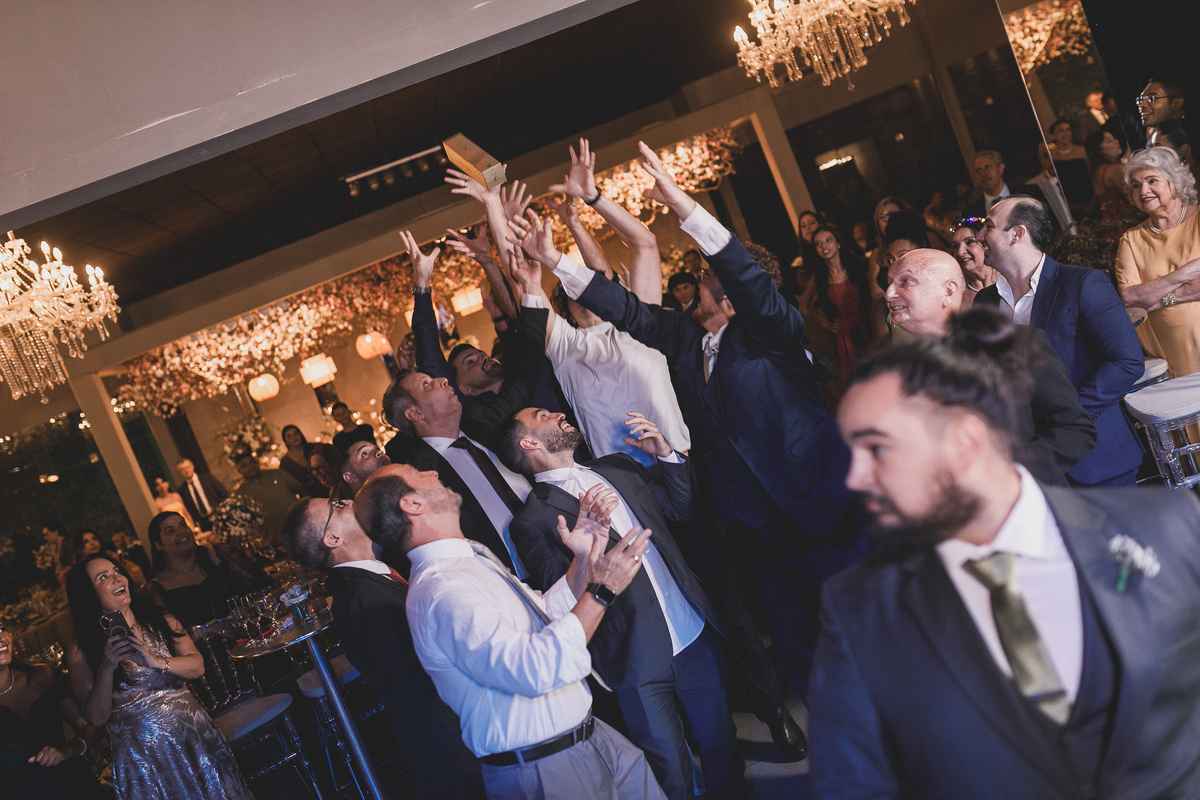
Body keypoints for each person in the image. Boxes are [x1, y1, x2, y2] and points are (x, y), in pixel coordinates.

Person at [512, 140, 867, 702]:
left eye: (704, 280)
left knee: (865, 633)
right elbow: (626, 308)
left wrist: (681, 203)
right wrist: (555, 260)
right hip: (754, 530)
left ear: (731, 298)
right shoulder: (687, 338)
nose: (694, 283)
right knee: (797, 649)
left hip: (818, 511)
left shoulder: (771, 334)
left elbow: (744, 277)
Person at [809, 309, 1200, 799]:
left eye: (877, 449)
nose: (855, 477)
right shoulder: (859, 610)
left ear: (965, 441)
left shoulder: (1168, 526)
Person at [356, 464, 665, 800]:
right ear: (412, 504)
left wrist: (583, 558)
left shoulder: (465, 562)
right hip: (547, 768)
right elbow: (533, 669)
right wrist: (602, 590)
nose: (431, 471)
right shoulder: (442, 590)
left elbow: (544, 613)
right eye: (416, 472)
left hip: (591, 736)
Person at [499, 408, 742, 800]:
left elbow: (683, 509)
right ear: (529, 443)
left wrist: (666, 454)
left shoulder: (618, 467)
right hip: (632, 658)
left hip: (692, 631)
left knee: (723, 747)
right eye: (543, 415)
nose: (557, 413)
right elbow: (561, 601)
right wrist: (587, 552)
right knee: (670, 774)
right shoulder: (531, 520)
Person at [279, 497, 486, 799]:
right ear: (333, 538)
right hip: (454, 748)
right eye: (337, 505)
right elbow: (423, 676)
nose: (350, 500)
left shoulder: (369, 579)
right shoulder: (365, 599)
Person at [883, 249, 1095, 484]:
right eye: (889, 283)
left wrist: (1004, 473)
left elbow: (1074, 429)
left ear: (948, 291)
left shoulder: (1013, 346)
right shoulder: (897, 374)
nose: (889, 293)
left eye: (905, 281)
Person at [976, 197, 1144, 486]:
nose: (980, 236)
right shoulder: (985, 302)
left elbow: (1126, 361)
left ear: (1017, 234)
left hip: (1096, 459)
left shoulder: (1082, 283)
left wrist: (1069, 416)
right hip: (1032, 468)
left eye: (988, 227)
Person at [65, 555, 253, 799]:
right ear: (88, 594)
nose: (117, 578)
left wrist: (156, 662)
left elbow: (197, 666)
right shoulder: (81, 652)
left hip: (194, 739)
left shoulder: (161, 619)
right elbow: (96, 718)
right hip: (144, 761)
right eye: (103, 577)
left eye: (116, 571)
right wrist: (106, 668)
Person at [382, 367, 533, 575]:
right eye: (426, 384)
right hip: (515, 574)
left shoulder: (483, 423)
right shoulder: (421, 477)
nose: (443, 380)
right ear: (415, 413)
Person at [1114, 146, 1200, 380]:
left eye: (1152, 181)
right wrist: (1185, 273)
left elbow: (1142, 299)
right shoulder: (1131, 239)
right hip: (1169, 357)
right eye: (1136, 185)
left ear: (1174, 182)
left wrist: (1161, 300)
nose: (1144, 191)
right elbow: (1130, 299)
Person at [0, 624, 103, 799]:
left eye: (1, 629)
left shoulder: (42, 675)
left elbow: (89, 729)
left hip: (77, 788)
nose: (1, 638)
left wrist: (66, 751)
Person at [143, 512, 270, 627]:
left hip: (254, 632)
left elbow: (264, 587)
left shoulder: (219, 554)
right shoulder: (156, 589)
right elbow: (173, 635)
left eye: (183, 525)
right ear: (158, 545)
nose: (181, 532)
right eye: (170, 531)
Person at [807, 224, 873, 388]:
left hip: (867, 324)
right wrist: (827, 325)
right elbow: (804, 308)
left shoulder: (855, 264)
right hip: (845, 335)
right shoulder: (819, 276)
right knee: (860, 381)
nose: (824, 246)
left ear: (838, 243)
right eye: (818, 244)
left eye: (828, 240)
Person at [230, 451, 307, 546]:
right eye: (244, 466)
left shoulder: (278, 474)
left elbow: (301, 490)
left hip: (302, 529)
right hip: (276, 542)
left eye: (251, 462)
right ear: (239, 471)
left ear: (256, 462)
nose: (250, 466)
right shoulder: (241, 494)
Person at [962, 151, 1055, 228]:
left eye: (987, 167)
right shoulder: (971, 212)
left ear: (1001, 168)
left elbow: (1050, 224)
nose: (983, 174)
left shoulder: (1030, 193)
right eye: (978, 171)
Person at [1047, 120, 1093, 214]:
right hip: (1069, 204)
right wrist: (1067, 204)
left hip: (1090, 199)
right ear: (1053, 136)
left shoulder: (1082, 150)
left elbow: (1093, 174)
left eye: (1068, 130)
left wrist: (1093, 201)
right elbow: (1054, 184)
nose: (1066, 133)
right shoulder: (1052, 157)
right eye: (1061, 130)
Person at [951, 217, 998, 305]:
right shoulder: (955, 296)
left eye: (969, 242)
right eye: (955, 246)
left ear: (986, 244)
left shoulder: (1010, 284)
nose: (960, 252)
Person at [176, 459, 228, 533]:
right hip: (203, 523)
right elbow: (188, 508)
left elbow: (223, 492)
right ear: (180, 473)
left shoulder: (207, 478)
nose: (186, 471)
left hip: (218, 515)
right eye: (182, 470)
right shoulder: (182, 490)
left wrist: (221, 509)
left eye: (187, 467)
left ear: (192, 466)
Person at [1084, 130, 1127, 215]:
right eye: (1110, 141)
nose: (1117, 141)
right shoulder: (1113, 169)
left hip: (1110, 218)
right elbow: (1131, 196)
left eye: (1114, 138)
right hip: (1125, 217)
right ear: (1100, 150)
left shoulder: (1097, 170)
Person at [1138, 73, 1186, 145]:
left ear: (1176, 103)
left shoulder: (1192, 137)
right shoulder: (1153, 135)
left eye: (1152, 98)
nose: (1141, 104)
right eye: (1141, 99)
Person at [279, 425, 322, 496]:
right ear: (286, 441)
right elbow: (291, 486)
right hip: (309, 496)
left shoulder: (315, 448)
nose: (294, 437)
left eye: (295, 433)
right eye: (289, 436)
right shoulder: (285, 463)